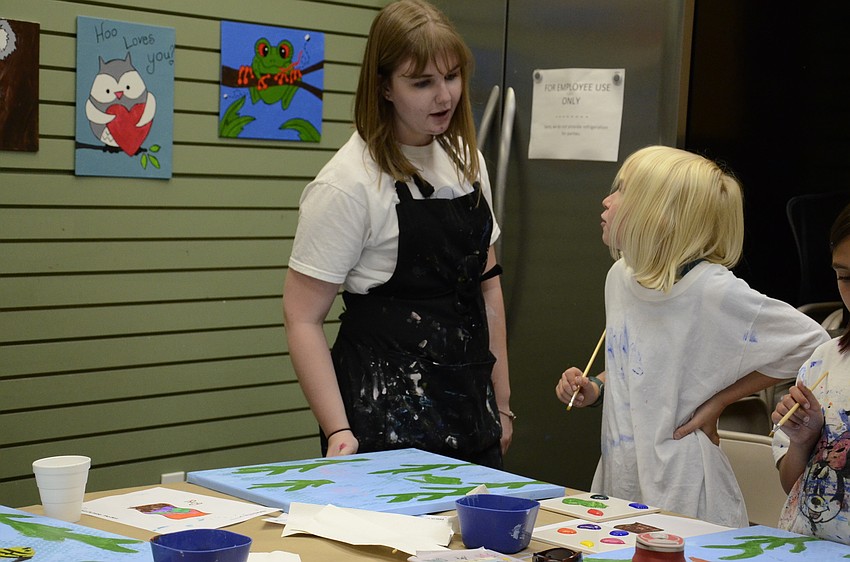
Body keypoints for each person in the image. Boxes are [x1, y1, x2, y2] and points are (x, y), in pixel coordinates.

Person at [282, 0, 512, 468]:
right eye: (422, 82)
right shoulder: (347, 184)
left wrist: (502, 402)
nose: (444, 96)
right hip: (381, 415)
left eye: (451, 76)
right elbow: (301, 316)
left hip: (471, 408)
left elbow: (487, 288)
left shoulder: (468, 160)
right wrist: (338, 429)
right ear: (384, 86)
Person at [554, 145, 829, 528]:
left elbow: (815, 344)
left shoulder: (712, 292)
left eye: (622, 192)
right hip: (620, 477)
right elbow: (643, 364)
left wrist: (720, 400)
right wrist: (597, 386)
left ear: (660, 215)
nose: (606, 200)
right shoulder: (619, 278)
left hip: (684, 491)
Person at [771, 202, 850, 544]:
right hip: (805, 547)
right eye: (845, 276)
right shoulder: (823, 361)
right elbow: (793, 486)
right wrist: (802, 443)